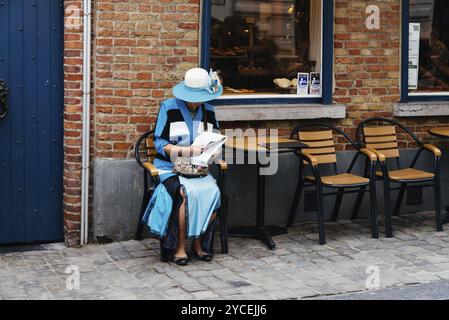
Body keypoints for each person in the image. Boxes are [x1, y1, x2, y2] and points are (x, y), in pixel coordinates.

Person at [142, 68, 224, 266]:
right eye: (195, 97)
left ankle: (198, 244)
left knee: (212, 193)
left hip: (197, 168)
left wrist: (214, 152)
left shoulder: (209, 111)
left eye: (202, 97)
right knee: (184, 194)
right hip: (168, 167)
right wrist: (186, 151)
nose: (198, 101)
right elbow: (159, 143)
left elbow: (215, 139)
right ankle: (179, 246)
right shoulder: (168, 108)